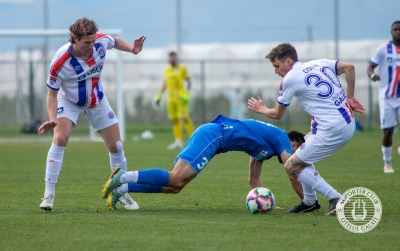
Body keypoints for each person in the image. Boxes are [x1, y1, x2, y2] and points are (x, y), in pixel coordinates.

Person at [37, 17, 146, 211]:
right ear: (74, 39)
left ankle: (121, 191)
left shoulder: (100, 42)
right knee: (60, 139)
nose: (91, 46)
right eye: (87, 42)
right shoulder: (60, 62)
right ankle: (49, 195)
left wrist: (132, 49)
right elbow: (51, 94)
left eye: (93, 41)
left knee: (116, 145)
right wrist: (53, 119)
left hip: (96, 99)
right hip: (68, 101)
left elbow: (115, 40)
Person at [247, 43, 365, 215]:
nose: (276, 71)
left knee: (292, 166)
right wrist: (351, 96)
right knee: (301, 156)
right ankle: (309, 201)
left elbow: (277, 114)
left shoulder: (290, 79)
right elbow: (349, 67)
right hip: (346, 122)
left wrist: (261, 109)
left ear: (288, 61)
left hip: (333, 129)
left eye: (276, 66)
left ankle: (336, 198)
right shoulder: (319, 63)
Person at [101, 114, 306, 210]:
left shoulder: (266, 148)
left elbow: (253, 180)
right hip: (214, 136)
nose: (296, 156)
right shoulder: (280, 137)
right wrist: (307, 202)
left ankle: (122, 189)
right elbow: (292, 169)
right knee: (175, 178)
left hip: (213, 137)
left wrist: (267, 205)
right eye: (299, 151)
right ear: (294, 143)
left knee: (175, 187)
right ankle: (122, 176)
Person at [367, 21, 400, 173]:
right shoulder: (383, 49)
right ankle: (387, 163)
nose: (398, 32)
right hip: (387, 96)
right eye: (395, 29)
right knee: (388, 131)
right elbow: (370, 67)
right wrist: (372, 75)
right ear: (391, 31)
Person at [154, 51, 195, 149]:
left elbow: (188, 81)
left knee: (185, 118)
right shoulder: (167, 70)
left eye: (173, 57)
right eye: (170, 57)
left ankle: (194, 139)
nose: (172, 59)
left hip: (181, 99)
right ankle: (178, 141)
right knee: (175, 120)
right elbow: (165, 83)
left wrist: (187, 94)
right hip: (171, 100)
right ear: (168, 58)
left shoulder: (182, 68)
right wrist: (159, 95)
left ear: (176, 58)